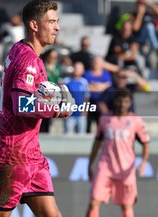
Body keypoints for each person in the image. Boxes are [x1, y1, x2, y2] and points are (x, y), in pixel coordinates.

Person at [0, 0, 73, 217]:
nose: (57, 27)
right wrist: (59, 108)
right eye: (51, 21)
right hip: (13, 155)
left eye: (57, 21)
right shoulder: (29, 60)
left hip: (31, 156)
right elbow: (22, 104)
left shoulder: (20, 49)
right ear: (34, 25)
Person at [86, 88, 150, 217]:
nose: (122, 104)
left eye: (125, 101)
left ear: (130, 103)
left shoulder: (135, 120)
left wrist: (143, 163)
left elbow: (146, 143)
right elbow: (97, 142)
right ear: (115, 101)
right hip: (106, 166)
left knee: (127, 205)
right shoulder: (105, 119)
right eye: (120, 101)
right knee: (94, 202)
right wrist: (90, 164)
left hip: (126, 168)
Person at [83, 56, 112, 133]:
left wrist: (94, 85)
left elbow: (107, 86)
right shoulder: (87, 74)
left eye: (98, 63)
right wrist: (100, 86)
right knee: (87, 125)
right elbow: (86, 87)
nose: (96, 64)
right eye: (95, 62)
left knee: (101, 125)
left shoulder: (106, 74)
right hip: (89, 103)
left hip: (101, 104)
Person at [62, 62, 90, 134]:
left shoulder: (84, 82)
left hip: (80, 114)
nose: (77, 70)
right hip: (69, 114)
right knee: (68, 135)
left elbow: (86, 97)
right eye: (75, 68)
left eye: (79, 68)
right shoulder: (66, 81)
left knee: (81, 136)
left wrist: (85, 112)